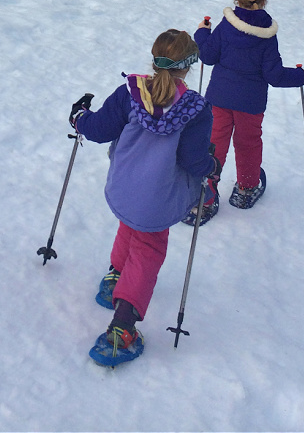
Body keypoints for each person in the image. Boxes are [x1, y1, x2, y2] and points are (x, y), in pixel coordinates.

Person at [69, 29, 218, 367]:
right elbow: (194, 161)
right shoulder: (195, 110)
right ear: (189, 66)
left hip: (124, 187)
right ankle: (122, 328)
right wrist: (212, 164)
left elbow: (97, 129)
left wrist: (80, 116)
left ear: (153, 60)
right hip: (160, 197)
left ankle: (115, 277)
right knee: (148, 247)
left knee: (130, 225)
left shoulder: (130, 94)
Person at [190, 0, 304, 222]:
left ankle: (204, 196)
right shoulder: (266, 34)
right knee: (248, 144)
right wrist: (298, 76)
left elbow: (208, 56)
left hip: (219, 98)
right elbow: (273, 75)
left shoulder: (226, 25)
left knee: (213, 143)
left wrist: (202, 32)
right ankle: (246, 188)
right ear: (264, 0)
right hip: (250, 104)